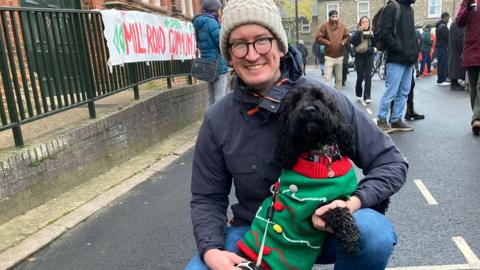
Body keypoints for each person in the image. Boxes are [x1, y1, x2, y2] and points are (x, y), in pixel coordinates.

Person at [185, 0, 408, 269]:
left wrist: (352, 203)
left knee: (374, 234)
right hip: (256, 229)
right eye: (239, 44)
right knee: (198, 268)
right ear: (229, 55)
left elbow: (391, 163)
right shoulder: (217, 119)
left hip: (324, 231)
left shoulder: (325, 99)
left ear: (280, 45)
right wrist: (211, 252)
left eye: (262, 40)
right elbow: (207, 197)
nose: (252, 54)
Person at [375, 0, 418, 133]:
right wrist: (401, 49)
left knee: (404, 91)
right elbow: (385, 34)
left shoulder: (409, 10)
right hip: (396, 58)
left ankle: (396, 120)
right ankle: (381, 120)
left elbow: (411, 35)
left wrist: (414, 51)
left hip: (408, 59)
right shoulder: (392, 7)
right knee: (391, 91)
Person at [192, 0, 228, 107]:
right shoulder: (211, 22)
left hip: (207, 65)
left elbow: (199, 44)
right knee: (220, 99)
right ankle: (217, 123)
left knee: (211, 98)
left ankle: (209, 121)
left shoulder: (199, 23)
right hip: (218, 65)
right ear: (214, 10)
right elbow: (221, 43)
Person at [456, 0, 480, 134]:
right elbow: (459, 22)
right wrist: (468, 8)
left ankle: (477, 119)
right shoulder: (467, 2)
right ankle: (476, 119)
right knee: (473, 89)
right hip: (471, 50)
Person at [316, 10, 349, 89]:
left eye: (336, 16)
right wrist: (327, 42)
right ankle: (326, 97)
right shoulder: (324, 26)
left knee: (339, 79)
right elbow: (318, 37)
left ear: (338, 16)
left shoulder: (342, 26)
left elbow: (347, 37)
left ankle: (338, 97)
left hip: (339, 56)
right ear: (329, 17)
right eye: (332, 16)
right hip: (329, 56)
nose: (334, 18)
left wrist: (343, 43)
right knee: (327, 78)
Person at [351, 16, 375, 103]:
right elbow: (353, 41)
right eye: (363, 22)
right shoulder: (357, 32)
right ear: (360, 23)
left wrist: (372, 36)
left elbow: (375, 44)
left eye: (366, 22)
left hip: (369, 56)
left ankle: (367, 97)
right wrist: (359, 32)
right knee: (360, 76)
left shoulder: (372, 32)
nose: (365, 24)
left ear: (369, 23)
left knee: (368, 76)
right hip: (359, 56)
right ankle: (358, 93)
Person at [448, 20, 466, 91]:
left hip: (454, 49)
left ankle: (454, 83)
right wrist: (462, 48)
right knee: (455, 67)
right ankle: (454, 84)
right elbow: (459, 37)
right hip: (456, 50)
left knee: (454, 66)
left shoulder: (455, 23)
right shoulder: (457, 23)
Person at [435, 12, 450, 86]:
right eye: (448, 17)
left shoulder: (439, 25)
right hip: (443, 47)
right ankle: (441, 80)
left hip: (440, 47)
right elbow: (447, 37)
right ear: (445, 17)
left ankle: (441, 79)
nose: (448, 19)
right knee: (442, 64)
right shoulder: (443, 26)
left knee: (441, 64)